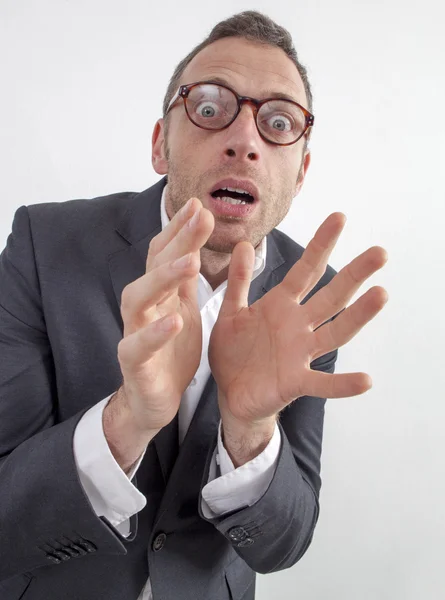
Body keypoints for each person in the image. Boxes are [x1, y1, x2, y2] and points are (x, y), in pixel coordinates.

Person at [0, 10, 388, 600]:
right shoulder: (42, 244)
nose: (245, 141)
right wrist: (126, 420)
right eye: (210, 108)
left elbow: (283, 543)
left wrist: (251, 431)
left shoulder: (313, 298)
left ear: (300, 173)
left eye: (279, 123)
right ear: (161, 144)